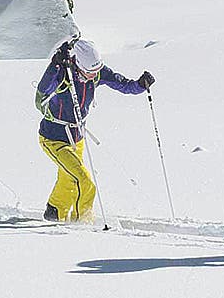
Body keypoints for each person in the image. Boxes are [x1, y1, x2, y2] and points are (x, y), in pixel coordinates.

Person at [34, 36, 151, 226]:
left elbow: (122, 84)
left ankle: (54, 212)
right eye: (89, 72)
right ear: (78, 65)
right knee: (85, 182)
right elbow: (42, 93)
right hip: (54, 138)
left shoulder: (96, 72)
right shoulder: (63, 73)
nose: (93, 76)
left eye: (96, 71)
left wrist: (140, 85)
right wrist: (55, 64)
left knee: (69, 177)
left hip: (77, 138)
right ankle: (82, 224)